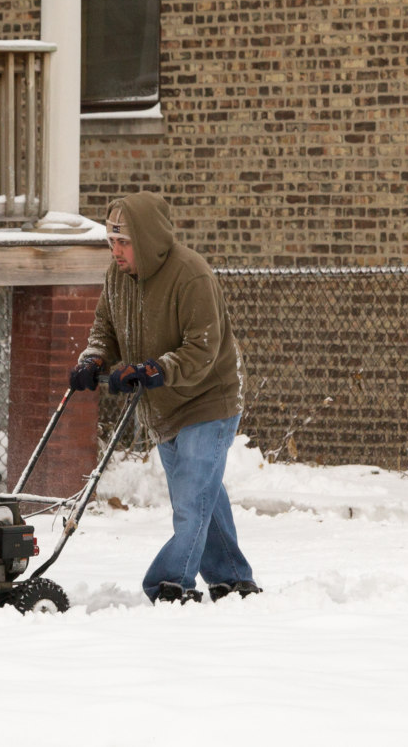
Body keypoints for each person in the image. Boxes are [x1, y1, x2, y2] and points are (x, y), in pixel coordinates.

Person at [66, 192, 262, 604]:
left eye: (124, 243)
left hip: (209, 398)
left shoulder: (191, 275)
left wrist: (153, 370)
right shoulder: (117, 277)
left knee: (192, 498)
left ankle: (170, 583)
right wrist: (95, 360)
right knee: (204, 493)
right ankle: (232, 578)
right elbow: (105, 329)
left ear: (148, 238)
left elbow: (202, 349)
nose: (116, 251)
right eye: (111, 242)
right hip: (163, 406)